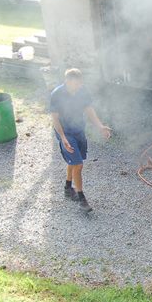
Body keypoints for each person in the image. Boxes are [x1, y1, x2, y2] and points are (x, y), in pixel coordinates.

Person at [50, 68, 111, 212]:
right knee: (78, 164)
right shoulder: (57, 94)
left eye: (80, 84)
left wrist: (100, 126)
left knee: (74, 161)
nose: (78, 87)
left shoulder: (82, 91)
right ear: (67, 81)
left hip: (78, 131)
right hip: (66, 133)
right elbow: (54, 118)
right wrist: (63, 138)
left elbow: (88, 109)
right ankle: (81, 198)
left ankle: (67, 188)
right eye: (75, 84)